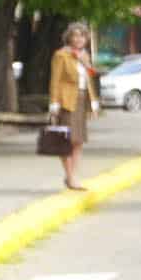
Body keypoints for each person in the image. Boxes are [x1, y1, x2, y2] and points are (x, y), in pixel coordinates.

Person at [48, 21, 99, 189]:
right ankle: (70, 177)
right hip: (66, 102)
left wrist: (94, 101)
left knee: (78, 140)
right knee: (66, 140)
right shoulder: (61, 55)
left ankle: (73, 175)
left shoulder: (84, 55)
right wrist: (54, 103)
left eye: (82, 35)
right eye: (75, 35)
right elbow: (55, 80)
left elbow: (90, 77)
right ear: (69, 37)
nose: (78, 39)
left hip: (82, 100)